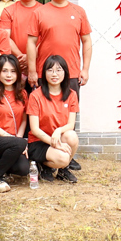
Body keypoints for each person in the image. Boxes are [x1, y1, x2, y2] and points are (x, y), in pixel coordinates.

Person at [29, 0, 92, 91]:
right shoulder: (39, 13)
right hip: (45, 72)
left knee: (71, 103)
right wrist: (32, 71)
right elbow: (31, 42)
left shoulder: (79, 11)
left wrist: (85, 69)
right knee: (44, 103)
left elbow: (87, 41)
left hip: (72, 72)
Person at [26, 55, 80, 183]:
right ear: (44, 73)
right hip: (39, 141)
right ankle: (43, 165)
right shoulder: (35, 96)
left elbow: (70, 124)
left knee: (72, 136)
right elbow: (35, 129)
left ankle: (63, 170)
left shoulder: (71, 94)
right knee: (63, 158)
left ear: (65, 73)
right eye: (50, 70)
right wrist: (54, 143)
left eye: (58, 70)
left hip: (57, 137)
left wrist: (58, 131)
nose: (54, 74)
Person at [0, 55, 31, 192]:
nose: (9, 75)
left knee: (23, 169)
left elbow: (24, 120)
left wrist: (18, 139)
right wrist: (17, 141)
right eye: (5, 71)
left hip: (13, 141)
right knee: (19, 144)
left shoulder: (22, 94)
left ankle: (4, 166)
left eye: (13, 71)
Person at [0, 0, 40, 75]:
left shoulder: (44, 11)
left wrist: (30, 57)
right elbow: (5, 37)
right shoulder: (8, 11)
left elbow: (46, 39)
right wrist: (21, 58)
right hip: (15, 64)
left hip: (39, 62)